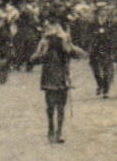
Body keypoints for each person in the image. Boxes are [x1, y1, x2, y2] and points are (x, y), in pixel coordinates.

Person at [30, 9, 84, 143]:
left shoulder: (48, 40)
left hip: (53, 73)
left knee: (52, 105)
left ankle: (54, 130)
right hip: (59, 73)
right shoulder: (58, 38)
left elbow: (35, 57)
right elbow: (72, 51)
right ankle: (56, 130)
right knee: (59, 105)